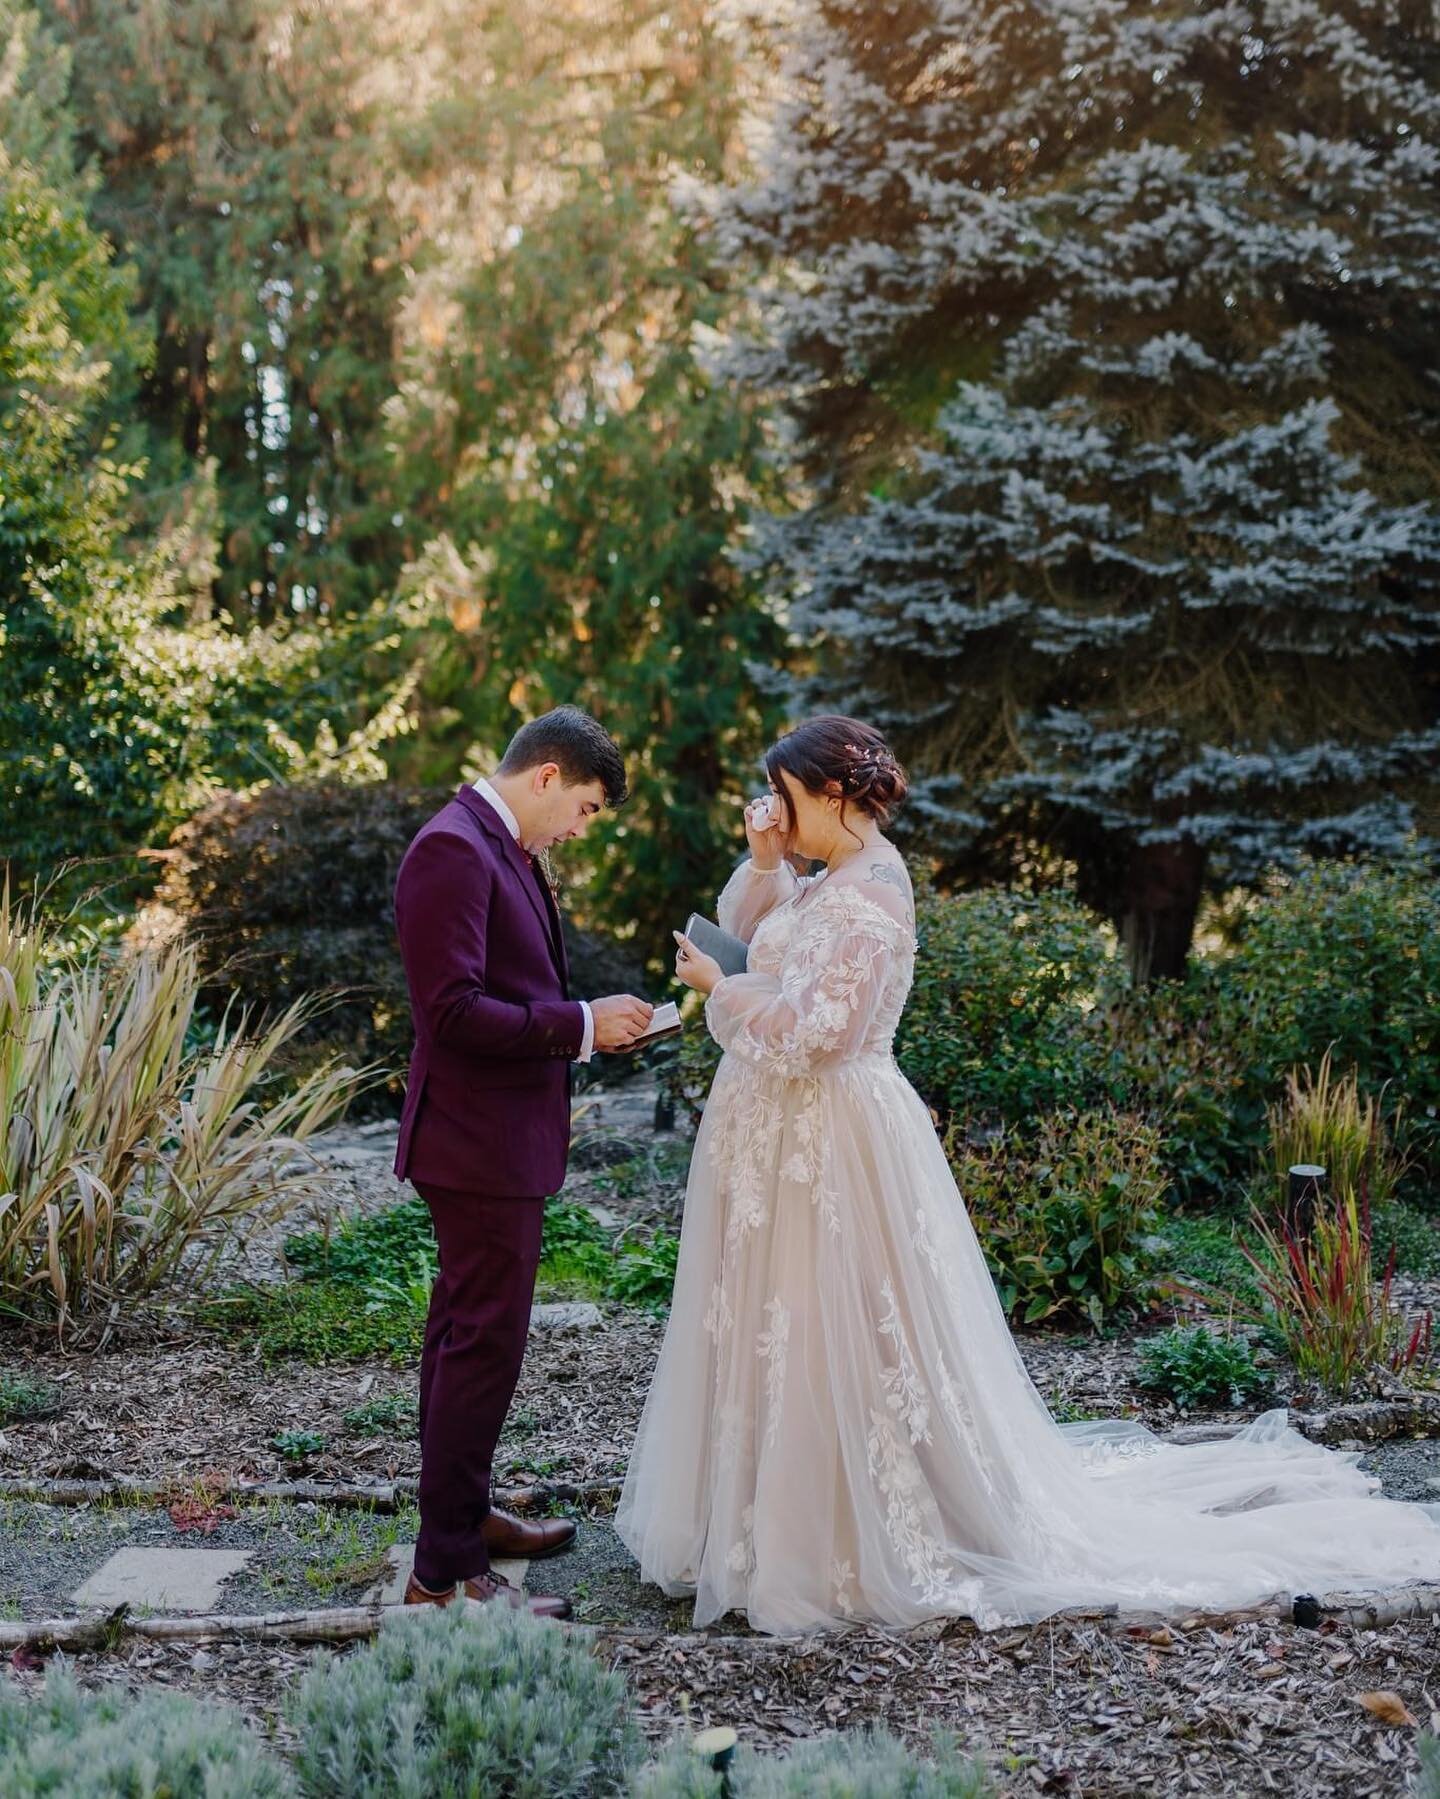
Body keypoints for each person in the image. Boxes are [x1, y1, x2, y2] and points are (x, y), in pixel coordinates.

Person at [616, 714, 1440, 1634]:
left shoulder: (872, 897)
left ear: (836, 796)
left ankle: (835, 1537)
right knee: (768, 1319)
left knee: (824, 1322)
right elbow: (752, 929)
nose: (778, 808)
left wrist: (719, 993)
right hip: (777, 1140)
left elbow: (823, 1035)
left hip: (834, 1143)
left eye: (789, 796)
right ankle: (751, 1519)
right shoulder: (820, 880)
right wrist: (767, 859)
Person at [394, 706, 654, 1617]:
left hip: (497, 1138)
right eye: (583, 808)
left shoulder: (502, 847)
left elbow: (512, 988)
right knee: (482, 1348)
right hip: (473, 1145)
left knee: (465, 1340)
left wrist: (585, 1027)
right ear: (547, 777)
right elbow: (453, 1011)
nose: (581, 829)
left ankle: (462, 1521)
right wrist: (581, 1025)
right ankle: (443, 1576)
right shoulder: (453, 849)